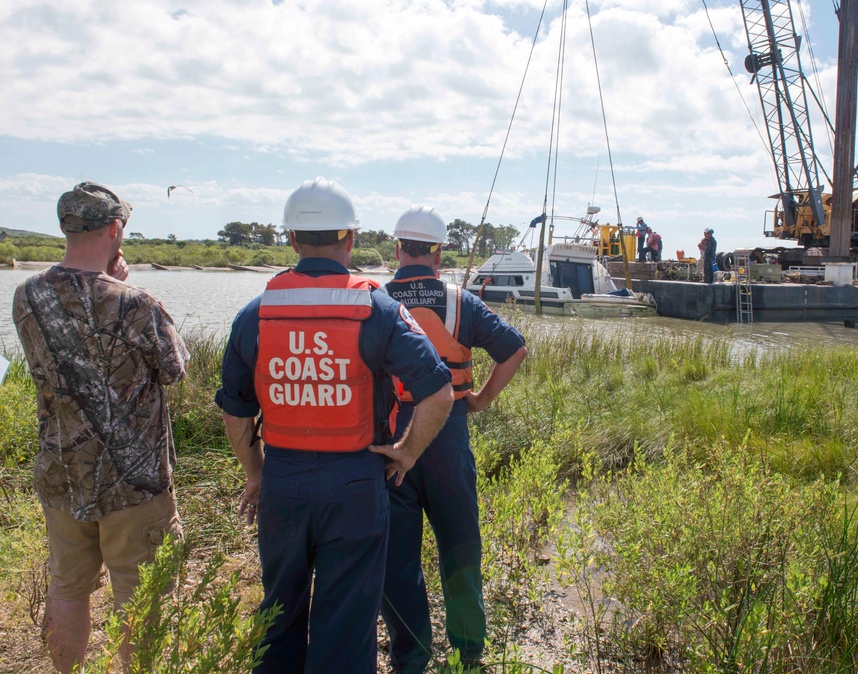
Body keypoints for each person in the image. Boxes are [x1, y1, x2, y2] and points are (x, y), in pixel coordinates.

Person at [215, 178, 453, 673]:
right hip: (356, 484)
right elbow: (439, 391)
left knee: (278, 612)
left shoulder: (254, 315)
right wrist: (407, 452)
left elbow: (236, 409)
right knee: (344, 623)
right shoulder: (379, 311)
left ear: (292, 241)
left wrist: (255, 474)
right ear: (349, 239)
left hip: (281, 481)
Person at [12, 182, 189, 674]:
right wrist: (120, 285)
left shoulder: (26, 296)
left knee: (67, 588)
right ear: (116, 229)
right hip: (134, 485)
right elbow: (177, 370)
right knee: (142, 597)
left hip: (62, 474)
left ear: (66, 227)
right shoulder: (137, 304)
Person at [380, 206, 528, 673]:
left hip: (392, 438)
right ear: (439, 253)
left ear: (397, 249)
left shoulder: (375, 300)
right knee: (460, 543)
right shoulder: (462, 302)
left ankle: (411, 655)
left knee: (398, 557)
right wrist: (480, 399)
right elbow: (514, 348)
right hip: (448, 432)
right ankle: (468, 649)